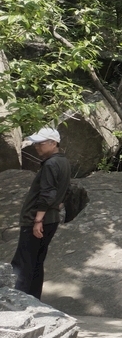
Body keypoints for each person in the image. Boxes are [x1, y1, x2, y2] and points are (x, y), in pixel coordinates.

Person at [11, 127, 71, 299]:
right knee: (36, 262)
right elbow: (66, 187)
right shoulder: (63, 161)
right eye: (36, 143)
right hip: (51, 219)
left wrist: (38, 220)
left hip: (38, 221)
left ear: (53, 143)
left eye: (40, 143)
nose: (36, 147)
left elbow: (47, 193)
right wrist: (58, 204)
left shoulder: (51, 164)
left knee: (23, 263)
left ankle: (16, 301)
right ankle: (33, 299)